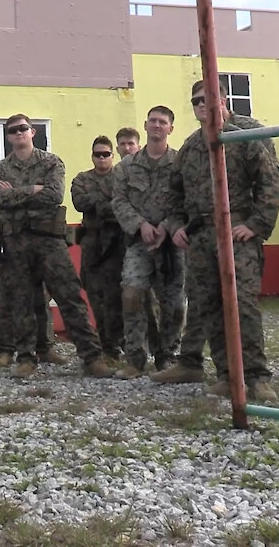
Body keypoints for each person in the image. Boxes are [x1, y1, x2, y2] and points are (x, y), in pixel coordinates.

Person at [154, 83, 279, 401]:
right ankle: (226, 375)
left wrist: (256, 224)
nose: (200, 105)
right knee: (209, 305)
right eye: (195, 100)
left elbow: (269, 181)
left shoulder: (241, 137)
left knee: (242, 304)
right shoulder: (191, 146)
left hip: (236, 233)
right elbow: (174, 193)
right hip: (200, 237)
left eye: (206, 99)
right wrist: (177, 225)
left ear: (221, 101)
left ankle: (256, 377)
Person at [0, 114, 114, 378]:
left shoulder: (50, 161)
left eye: (23, 128)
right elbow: (0, 199)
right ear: (8, 136)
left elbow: (53, 195)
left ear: (32, 132)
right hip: (16, 242)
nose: (19, 133)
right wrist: (32, 189)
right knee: (22, 301)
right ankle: (26, 358)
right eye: (13, 130)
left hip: (49, 240)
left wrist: (17, 192)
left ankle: (92, 357)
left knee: (69, 296)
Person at [111, 106, 186, 378]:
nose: (157, 125)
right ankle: (135, 358)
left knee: (174, 303)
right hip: (139, 243)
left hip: (173, 242)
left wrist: (166, 226)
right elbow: (118, 201)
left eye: (162, 122)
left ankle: (167, 356)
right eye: (152, 121)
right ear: (145, 125)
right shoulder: (126, 167)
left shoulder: (181, 163)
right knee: (131, 295)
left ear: (170, 129)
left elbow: (188, 200)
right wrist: (140, 225)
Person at [71, 135, 127, 361]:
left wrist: (99, 204)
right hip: (93, 244)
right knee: (96, 295)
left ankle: (124, 343)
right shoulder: (82, 178)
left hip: (118, 242)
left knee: (120, 296)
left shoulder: (122, 176)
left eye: (106, 154)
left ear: (113, 156)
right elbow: (79, 202)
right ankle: (107, 345)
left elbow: (126, 202)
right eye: (97, 154)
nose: (102, 158)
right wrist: (109, 203)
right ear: (92, 156)